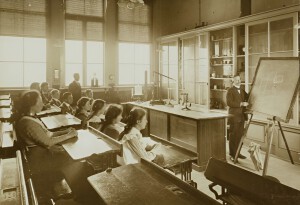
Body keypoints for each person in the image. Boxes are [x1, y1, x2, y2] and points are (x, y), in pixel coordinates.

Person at [226, 75, 249, 162]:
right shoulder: (230, 90)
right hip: (234, 117)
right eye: (236, 80)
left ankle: (238, 153)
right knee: (233, 136)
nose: (238, 81)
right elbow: (229, 103)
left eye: (239, 80)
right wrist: (241, 104)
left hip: (242, 117)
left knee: (240, 136)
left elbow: (249, 97)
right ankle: (232, 154)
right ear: (233, 81)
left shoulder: (242, 90)